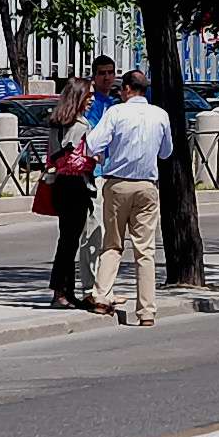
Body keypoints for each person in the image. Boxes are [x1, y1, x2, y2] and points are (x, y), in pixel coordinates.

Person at [82, 71, 173, 326]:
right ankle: (146, 312)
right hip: (147, 187)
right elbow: (166, 153)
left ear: (127, 89)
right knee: (145, 250)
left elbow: (92, 144)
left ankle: (101, 297)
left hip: (117, 184)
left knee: (112, 243)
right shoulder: (161, 115)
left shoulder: (116, 112)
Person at [46, 79, 97, 308]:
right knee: (69, 242)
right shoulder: (79, 125)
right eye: (89, 96)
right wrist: (93, 159)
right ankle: (61, 292)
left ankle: (65, 290)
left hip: (59, 185)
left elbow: (54, 155)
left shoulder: (56, 123)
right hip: (76, 185)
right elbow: (77, 157)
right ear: (79, 97)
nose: (92, 99)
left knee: (66, 239)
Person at [78, 55, 118, 299]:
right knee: (92, 229)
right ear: (94, 75)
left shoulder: (114, 105)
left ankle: (103, 285)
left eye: (110, 72)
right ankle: (89, 285)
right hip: (92, 173)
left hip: (111, 173)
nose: (107, 77)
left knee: (107, 232)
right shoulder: (90, 104)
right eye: (102, 73)